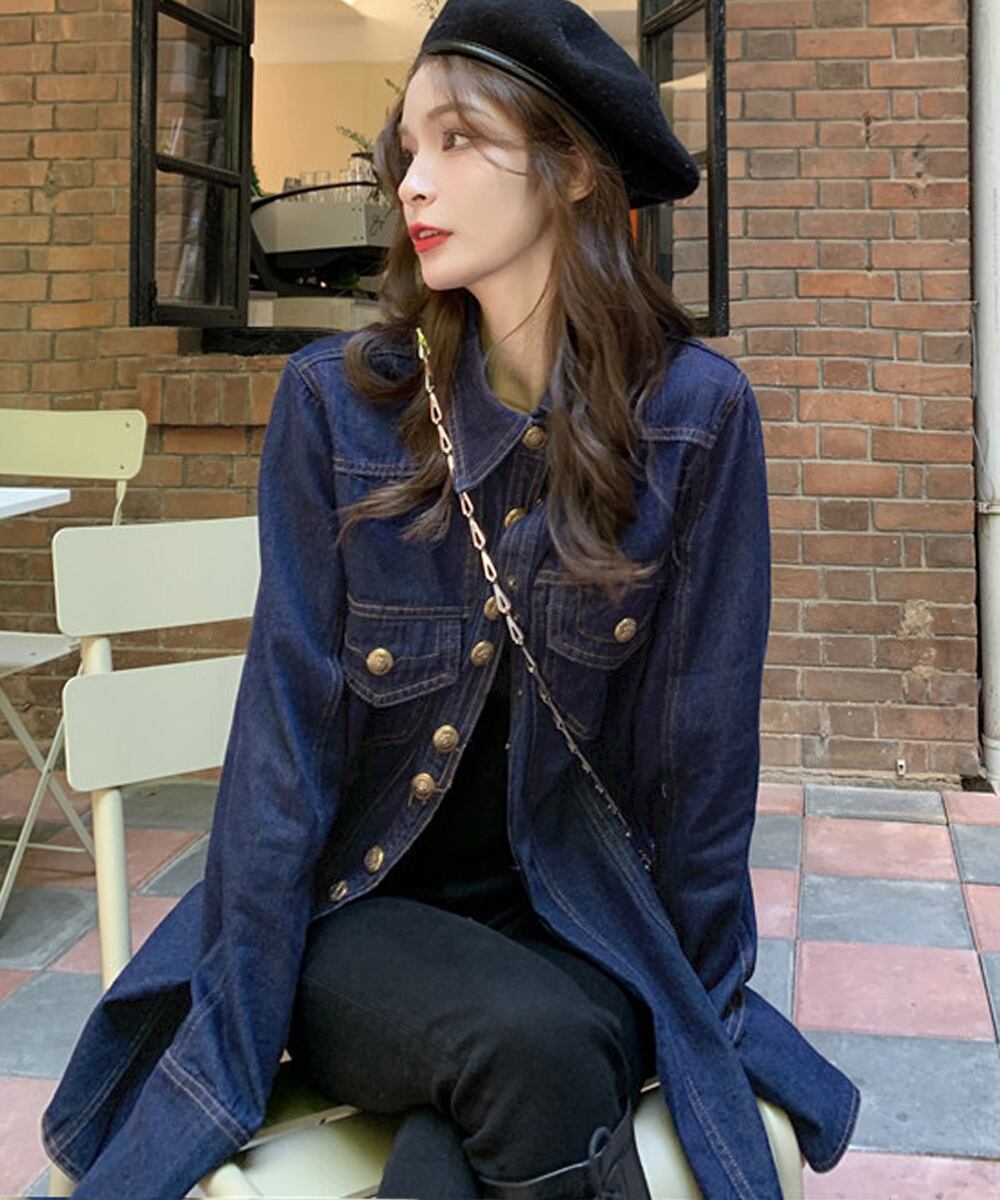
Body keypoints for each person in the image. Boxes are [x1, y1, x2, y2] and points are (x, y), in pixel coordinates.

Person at [42, 2, 861, 1198]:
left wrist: (694, 1011)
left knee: (496, 1109)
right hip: (355, 914)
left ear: (573, 170)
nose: (411, 182)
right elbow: (281, 755)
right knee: (531, 1050)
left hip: (580, 919)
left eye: (458, 140)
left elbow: (700, 761)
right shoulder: (339, 407)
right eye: (407, 148)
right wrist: (231, 1027)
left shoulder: (694, 422)